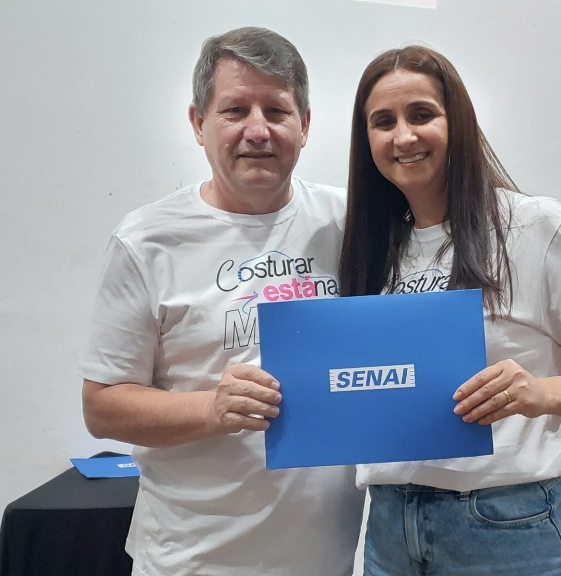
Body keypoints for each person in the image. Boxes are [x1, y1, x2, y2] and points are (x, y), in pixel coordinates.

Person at [339, 45, 561, 576]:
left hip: (505, 528)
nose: (403, 137)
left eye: (422, 114)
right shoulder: (371, 248)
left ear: (457, 121)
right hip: (390, 529)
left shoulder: (535, 228)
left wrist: (541, 392)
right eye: (383, 121)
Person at [79, 27, 364, 576]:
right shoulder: (146, 241)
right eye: (235, 110)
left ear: (304, 125)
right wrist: (212, 409)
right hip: (191, 562)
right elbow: (102, 405)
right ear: (198, 123)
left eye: (276, 111)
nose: (257, 130)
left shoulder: (349, 223)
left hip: (330, 560)